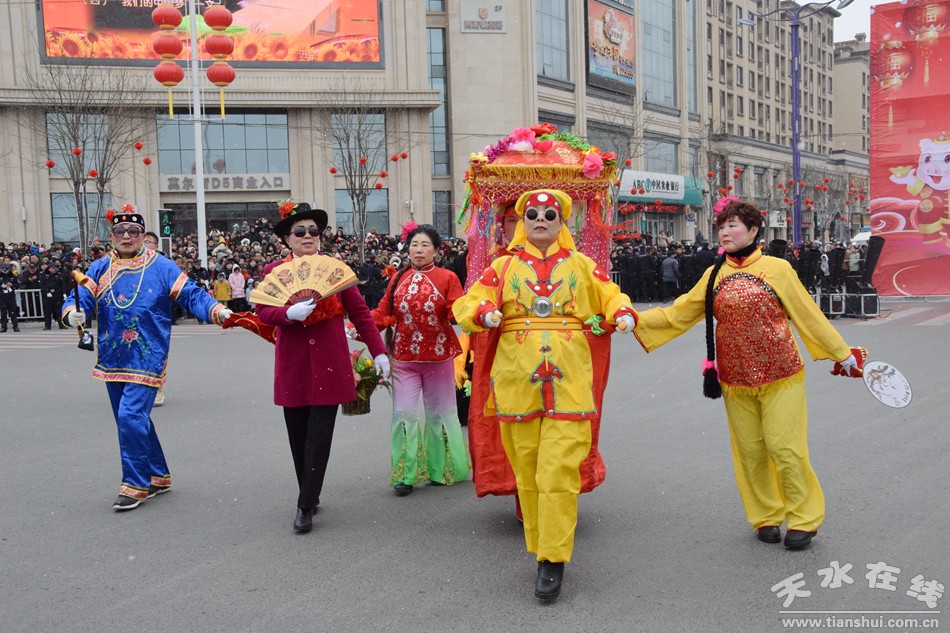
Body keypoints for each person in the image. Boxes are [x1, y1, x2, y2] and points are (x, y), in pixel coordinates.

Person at [631, 196, 864, 550]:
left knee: (786, 448)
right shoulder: (713, 275)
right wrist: (632, 319)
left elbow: (807, 313)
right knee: (751, 452)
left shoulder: (777, 269)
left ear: (753, 230)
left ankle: (803, 518)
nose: (724, 232)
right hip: (735, 378)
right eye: (721, 227)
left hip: (781, 373)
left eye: (732, 225)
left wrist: (840, 352)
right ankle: (766, 515)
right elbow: (678, 313)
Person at [454, 189, 635, 603]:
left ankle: (553, 559)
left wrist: (621, 312)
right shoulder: (502, 267)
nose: (540, 219)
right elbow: (468, 303)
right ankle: (541, 549)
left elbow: (610, 294)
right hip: (517, 383)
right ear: (522, 222)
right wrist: (483, 312)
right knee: (530, 473)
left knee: (557, 473)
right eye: (532, 214)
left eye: (549, 214)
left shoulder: (581, 265)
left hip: (569, 382)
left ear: (561, 223)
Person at [62, 204, 233, 511]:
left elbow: (191, 293)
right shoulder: (100, 267)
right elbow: (81, 296)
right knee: (130, 418)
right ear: (112, 236)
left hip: (148, 354)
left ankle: (136, 484)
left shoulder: (160, 265)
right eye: (120, 231)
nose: (126, 236)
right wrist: (73, 311)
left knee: (130, 416)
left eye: (133, 231)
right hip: (112, 356)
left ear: (142, 235)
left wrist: (216, 309)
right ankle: (158, 475)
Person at [254, 201, 388, 533]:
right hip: (294, 364)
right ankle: (309, 493)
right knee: (298, 435)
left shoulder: (335, 269)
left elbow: (361, 313)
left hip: (330, 363)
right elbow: (263, 311)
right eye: (300, 231)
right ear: (287, 238)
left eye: (314, 230)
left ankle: (304, 505)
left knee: (320, 435)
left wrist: (379, 352)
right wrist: (288, 313)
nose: (308, 236)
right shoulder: (275, 270)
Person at [368, 223, 468, 497]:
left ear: (436, 250)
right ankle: (405, 474)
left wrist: (474, 315)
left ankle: (443, 469)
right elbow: (382, 312)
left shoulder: (448, 278)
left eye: (425, 245)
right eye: (414, 245)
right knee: (403, 414)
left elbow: (457, 309)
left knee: (440, 413)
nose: (419, 250)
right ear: (407, 249)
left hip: (438, 358)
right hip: (403, 359)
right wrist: (357, 327)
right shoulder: (397, 279)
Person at [0, 261, 20, 332]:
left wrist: (12, 285)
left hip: (11, 296)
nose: (5, 270)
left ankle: (15, 326)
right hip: (2, 296)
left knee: (13, 312)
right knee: (3, 312)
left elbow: (17, 285)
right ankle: (4, 327)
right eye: (3, 268)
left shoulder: (13, 276)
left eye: (6, 269)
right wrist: (2, 285)